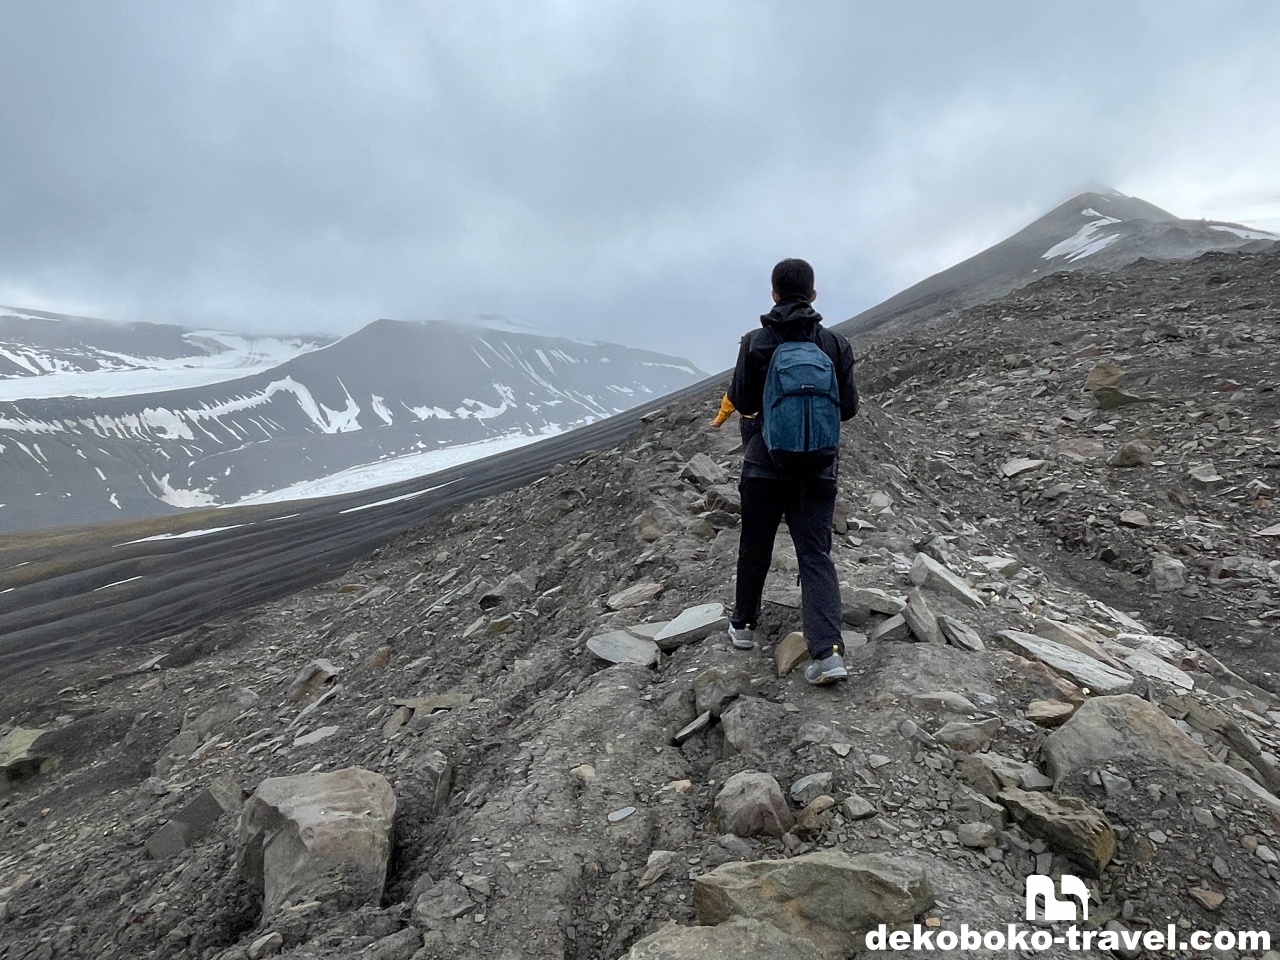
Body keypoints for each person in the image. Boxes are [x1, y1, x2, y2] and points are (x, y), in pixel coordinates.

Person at [725, 258, 858, 685]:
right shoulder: (835, 345)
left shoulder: (755, 342)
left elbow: (744, 398)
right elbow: (850, 409)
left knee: (756, 544)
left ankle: (744, 625)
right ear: (814, 296)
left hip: (765, 465)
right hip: (818, 468)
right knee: (815, 556)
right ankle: (828, 652)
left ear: (774, 295)